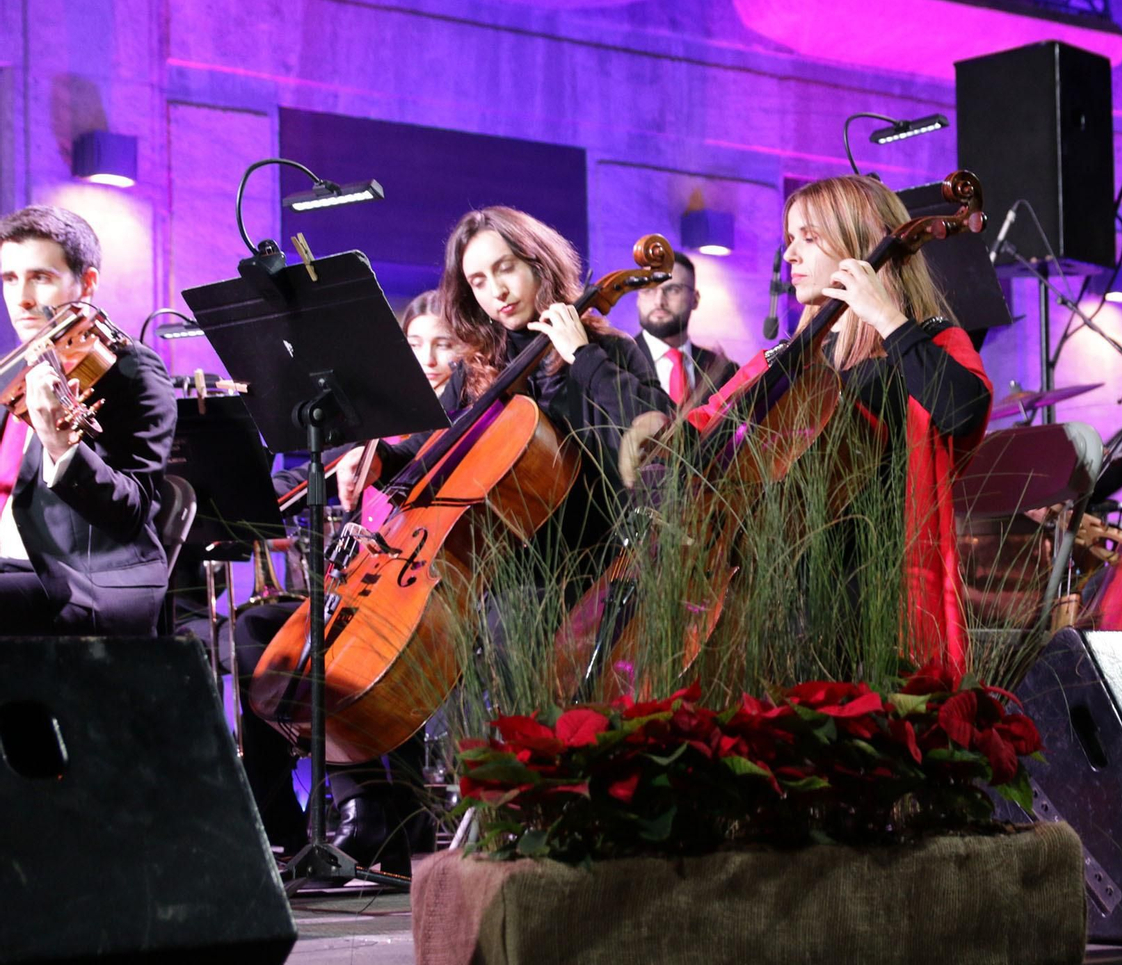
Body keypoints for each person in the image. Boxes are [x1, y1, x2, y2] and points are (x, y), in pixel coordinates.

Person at [319, 207, 671, 865]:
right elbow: (426, 460)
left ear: (539, 262)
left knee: (504, 619)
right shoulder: (476, 373)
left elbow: (655, 434)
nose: (496, 290)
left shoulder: (611, 351)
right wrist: (371, 478)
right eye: (478, 280)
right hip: (499, 572)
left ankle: (520, 816)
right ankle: (422, 813)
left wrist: (581, 359)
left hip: (588, 571)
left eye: (504, 268)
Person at [686, 175, 991, 670]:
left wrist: (887, 319)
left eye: (808, 237)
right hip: (776, 607)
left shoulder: (927, 340)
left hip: (875, 603)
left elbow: (963, 412)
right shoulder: (785, 360)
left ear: (859, 245)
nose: (790, 255)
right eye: (790, 240)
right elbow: (704, 431)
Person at [235, 289, 468, 864]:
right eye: (415, 346)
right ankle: (280, 818)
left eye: (444, 345)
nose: (430, 359)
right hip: (364, 589)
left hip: (429, 594)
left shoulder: (466, 421)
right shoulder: (374, 433)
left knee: (331, 649)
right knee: (253, 636)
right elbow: (284, 489)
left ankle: (365, 804)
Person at [0, 206, 176, 636]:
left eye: (40, 277)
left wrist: (63, 448)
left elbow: (131, 511)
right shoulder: (13, 373)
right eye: (8, 278)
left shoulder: (131, 371)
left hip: (80, 581)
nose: (21, 297)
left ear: (88, 283)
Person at [633, 252, 735, 411]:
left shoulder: (722, 369)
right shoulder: (617, 365)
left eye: (673, 289)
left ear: (695, 299)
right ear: (638, 298)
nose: (659, 301)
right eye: (649, 290)